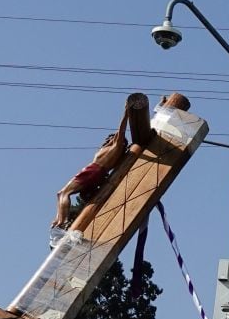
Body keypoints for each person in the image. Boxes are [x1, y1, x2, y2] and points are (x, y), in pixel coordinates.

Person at [52, 93, 154, 231]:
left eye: (110, 138)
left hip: (94, 171)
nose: (106, 140)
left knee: (63, 193)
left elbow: (121, 132)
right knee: (61, 194)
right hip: (95, 172)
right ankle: (59, 220)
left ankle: (62, 222)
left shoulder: (115, 147)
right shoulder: (111, 149)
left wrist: (126, 112)